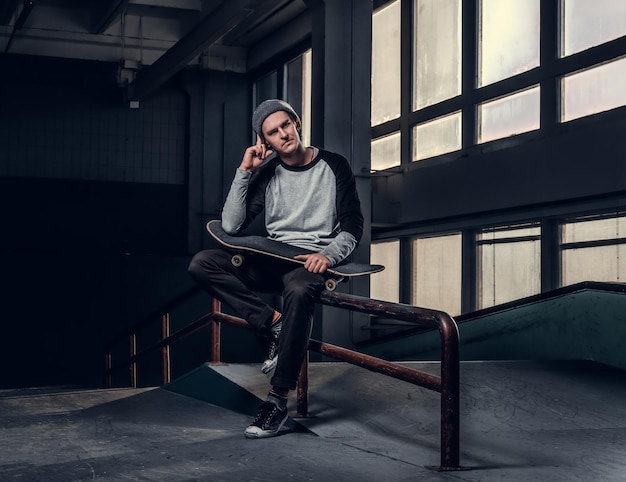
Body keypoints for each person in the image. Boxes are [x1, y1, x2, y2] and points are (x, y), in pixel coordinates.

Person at [188, 99, 363, 438]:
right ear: (265, 142)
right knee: (203, 263)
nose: (283, 134)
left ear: (296, 122)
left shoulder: (334, 165)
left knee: (299, 291)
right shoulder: (268, 171)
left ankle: (277, 400)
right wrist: (245, 171)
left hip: (311, 261)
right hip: (272, 257)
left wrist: (328, 256)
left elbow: (353, 224)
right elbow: (232, 225)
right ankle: (274, 324)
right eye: (273, 132)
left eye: (286, 125)